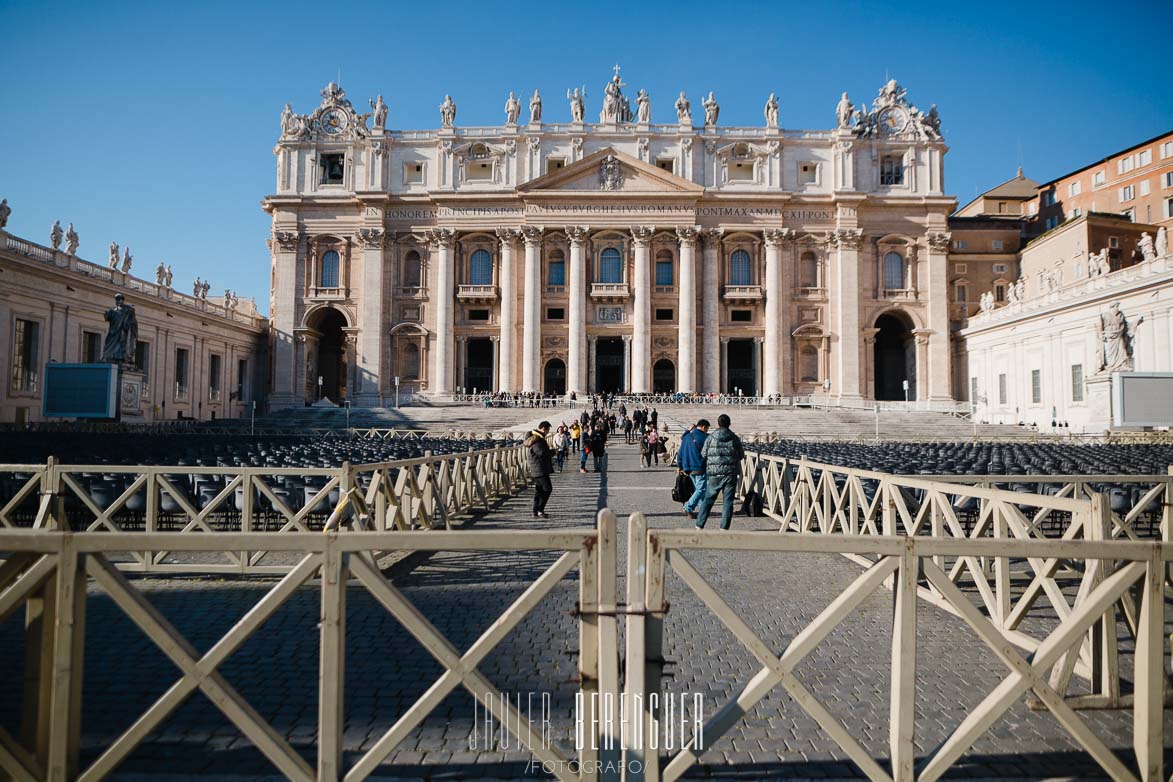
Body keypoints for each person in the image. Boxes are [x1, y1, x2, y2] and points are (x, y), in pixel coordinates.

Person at [695, 414, 745, 530]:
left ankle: (699, 524)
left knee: (708, 499)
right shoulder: (734, 438)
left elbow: (704, 454)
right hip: (730, 473)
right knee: (728, 502)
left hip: (714, 473)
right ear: (729, 424)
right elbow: (741, 455)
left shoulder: (710, 437)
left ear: (718, 424)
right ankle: (724, 528)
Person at [677, 419, 710, 519]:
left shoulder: (687, 437)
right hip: (699, 466)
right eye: (707, 429)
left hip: (688, 467)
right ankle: (688, 507)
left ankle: (703, 510)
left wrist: (680, 466)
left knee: (698, 489)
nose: (707, 431)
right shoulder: (705, 437)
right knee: (701, 489)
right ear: (704, 427)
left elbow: (680, 452)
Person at [525, 421, 554, 518]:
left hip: (537, 468)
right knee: (547, 488)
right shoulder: (538, 439)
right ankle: (540, 510)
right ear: (543, 429)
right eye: (548, 430)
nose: (548, 432)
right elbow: (541, 453)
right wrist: (552, 452)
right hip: (540, 468)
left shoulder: (535, 438)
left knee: (540, 490)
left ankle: (535, 511)